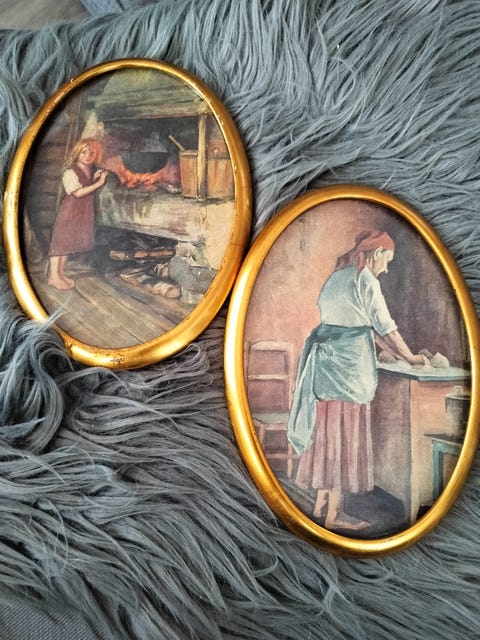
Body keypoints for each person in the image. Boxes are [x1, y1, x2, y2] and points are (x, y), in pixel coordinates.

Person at [287, 229, 427, 531]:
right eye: (387, 260)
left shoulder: (339, 276)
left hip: (326, 366)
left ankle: (321, 504)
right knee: (344, 435)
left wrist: (390, 352)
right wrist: (410, 357)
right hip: (348, 371)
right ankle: (334, 515)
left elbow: (359, 324)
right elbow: (384, 327)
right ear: (377, 254)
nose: (386, 269)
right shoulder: (367, 280)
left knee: (327, 433)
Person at [48, 138, 107, 290]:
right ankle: (53, 277)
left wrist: (93, 178)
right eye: (83, 152)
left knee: (68, 244)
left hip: (81, 212)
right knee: (59, 244)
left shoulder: (87, 170)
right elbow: (78, 193)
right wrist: (99, 183)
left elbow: (84, 184)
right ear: (77, 153)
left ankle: (61, 274)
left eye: (91, 153)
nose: (87, 156)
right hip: (69, 212)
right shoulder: (70, 172)